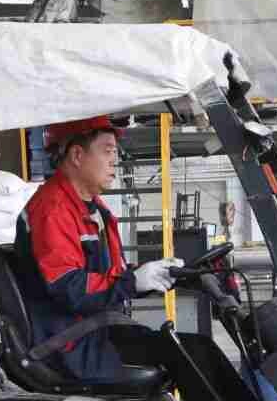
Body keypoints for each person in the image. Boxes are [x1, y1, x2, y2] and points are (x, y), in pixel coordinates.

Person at [15, 115, 182, 382]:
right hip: (66, 344)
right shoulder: (52, 211)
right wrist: (131, 282)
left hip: (93, 330)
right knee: (184, 359)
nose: (115, 159)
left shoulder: (95, 210)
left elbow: (112, 276)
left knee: (190, 351)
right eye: (107, 151)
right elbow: (69, 287)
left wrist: (154, 276)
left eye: (116, 152)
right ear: (77, 155)